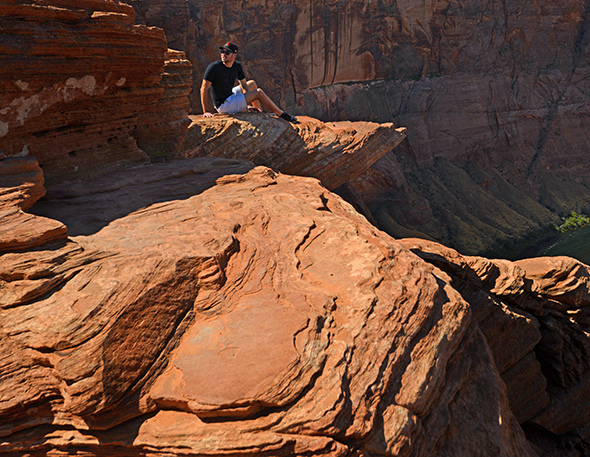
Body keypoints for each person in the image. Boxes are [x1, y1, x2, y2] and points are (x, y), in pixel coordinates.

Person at [200, 42, 299, 123]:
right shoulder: (214, 67)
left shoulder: (236, 66)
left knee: (251, 83)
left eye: (227, 53)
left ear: (234, 55)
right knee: (258, 92)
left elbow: (244, 84)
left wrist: (247, 104)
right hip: (224, 105)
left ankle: (258, 112)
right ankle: (282, 114)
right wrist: (206, 111)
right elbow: (203, 89)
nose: (223, 55)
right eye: (222, 51)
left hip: (230, 95)